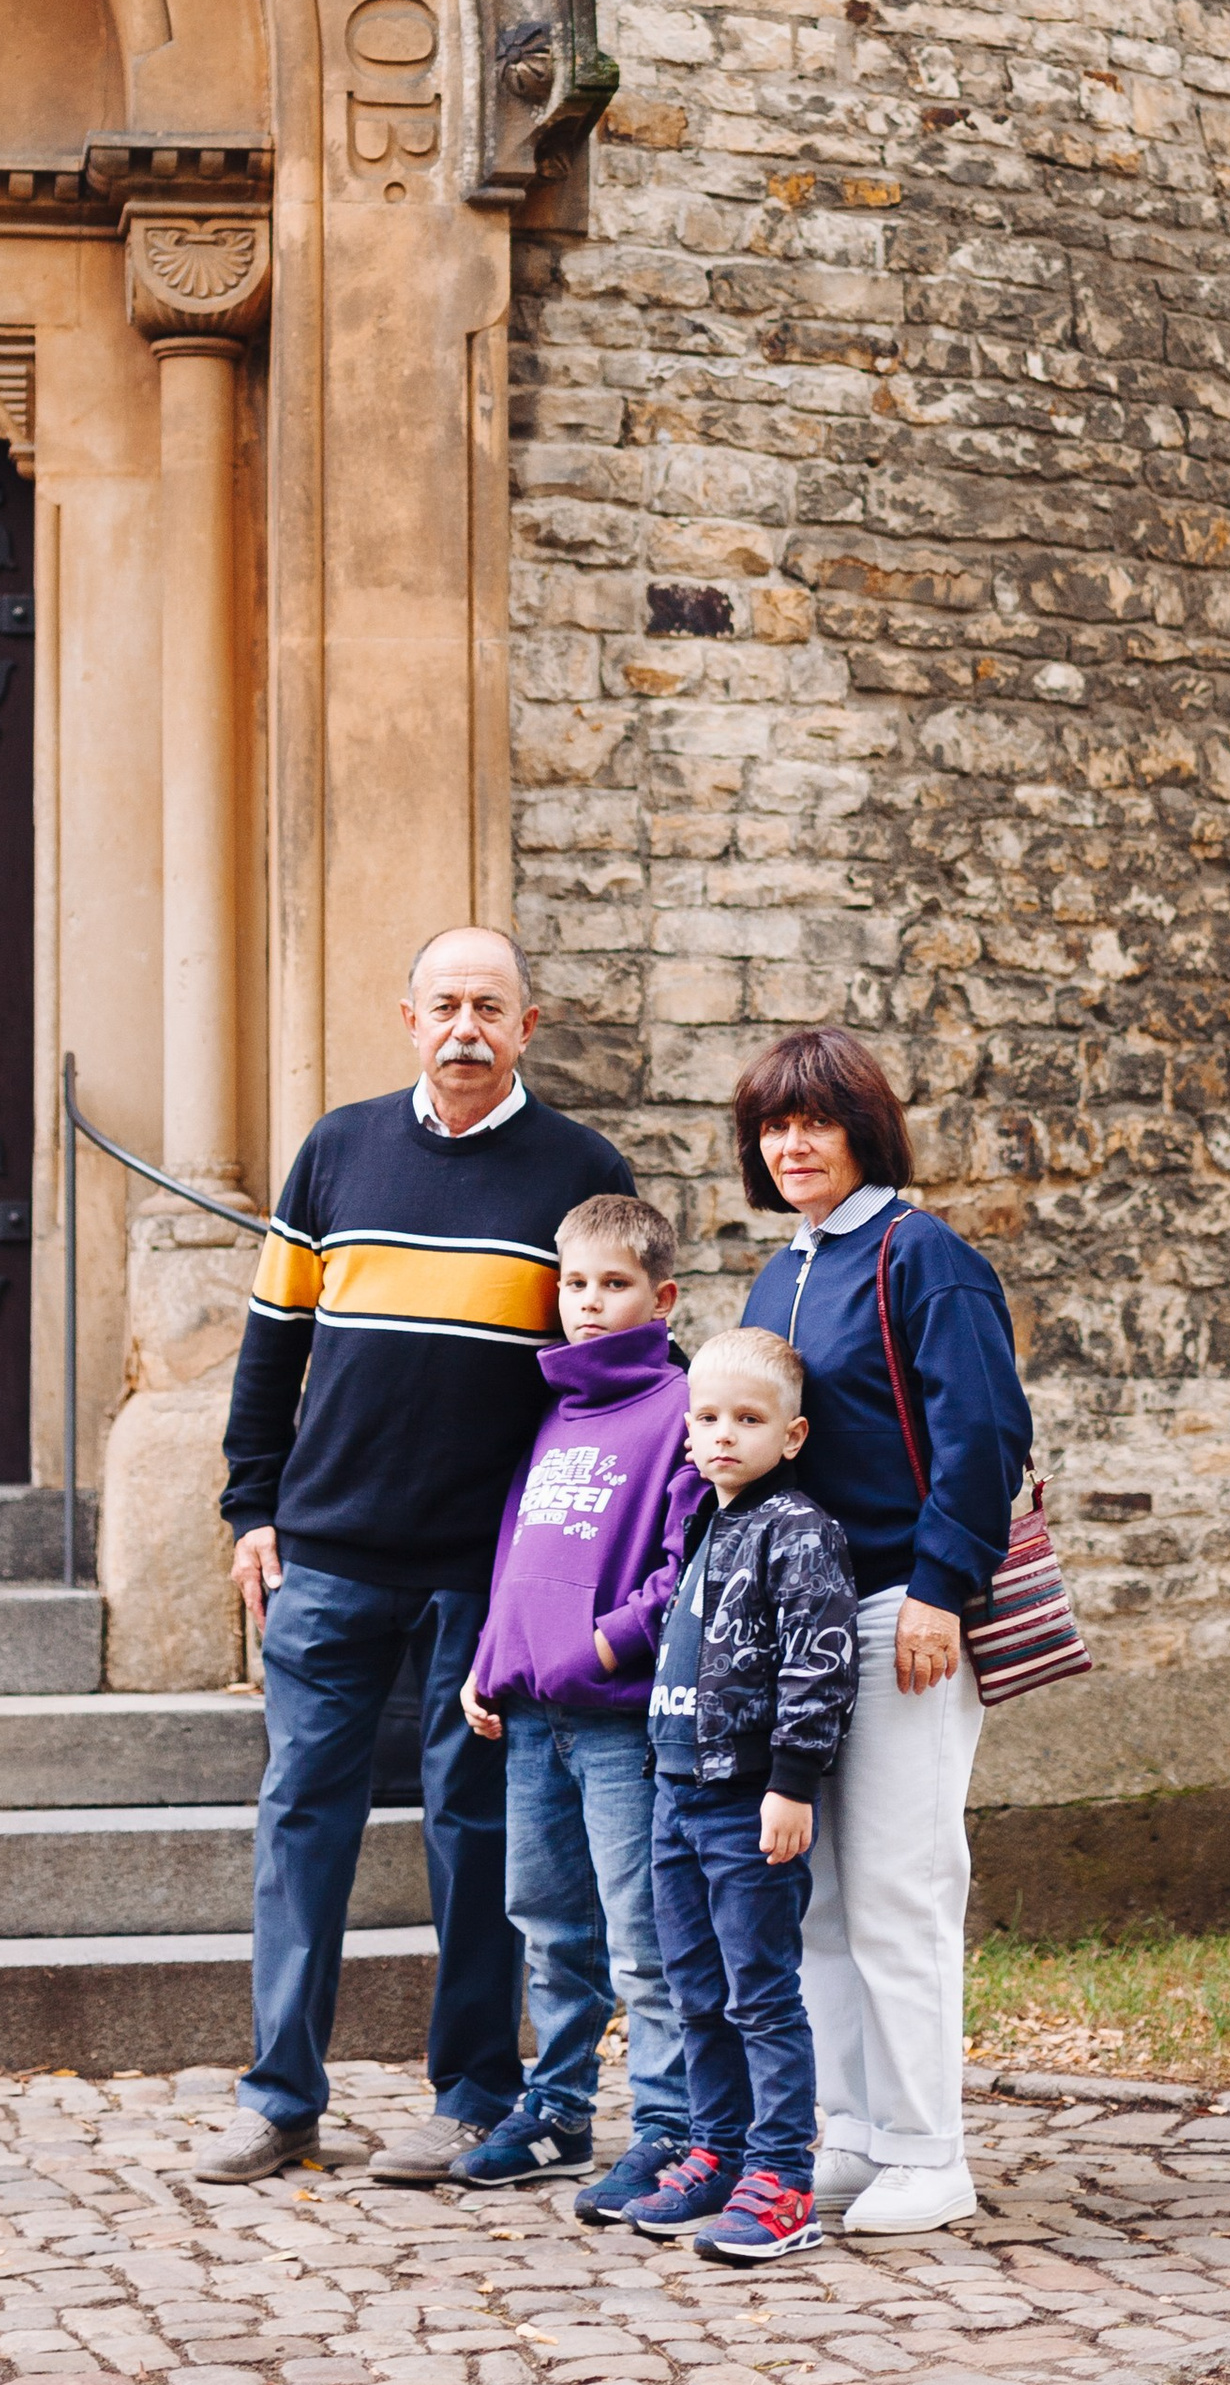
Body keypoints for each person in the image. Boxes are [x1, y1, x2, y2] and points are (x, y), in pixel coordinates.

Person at [201, 926, 631, 2186]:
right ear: (406, 1017)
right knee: (300, 1821)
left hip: (486, 1574)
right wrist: (249, 1508)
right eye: (443, 1004)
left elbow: (606, 1370)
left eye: (489, 1008)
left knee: (477, 1830)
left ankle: (472, 2095)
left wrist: (575, 1549)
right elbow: (271, 1344)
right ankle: (280, 2096)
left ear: (526, 1027)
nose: (465, 1029)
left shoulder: (577, 1169)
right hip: (326, 1555)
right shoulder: (335, 1150)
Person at [735, 1026, 1031, 2238]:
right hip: (798, 1624)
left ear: (865, 1127)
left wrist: (937, 1589)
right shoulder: (779, 1274)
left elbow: (985, 1438)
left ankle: (930, 2151)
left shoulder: (926, 1259)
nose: (793, 1143)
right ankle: (853, 2133)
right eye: (773, 1124)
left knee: (902, 1888)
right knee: (817, 1898)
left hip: (896, 1615)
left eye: (816, 1120)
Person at [454, 1192, 697, 2215]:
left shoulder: (682, 1407)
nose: (588, 1306)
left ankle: (669, 2127)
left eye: (613, 1285)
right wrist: (487, 1659)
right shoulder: (556, 1409)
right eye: (575, 1285)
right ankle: (555, 2110)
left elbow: (688, 1566)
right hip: (531, 1717)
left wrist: (606, 1642)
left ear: (661, 1296)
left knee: (639, 1935)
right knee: (548, 1924)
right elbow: (518, 1551)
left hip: (619, 1721)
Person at [622, 1325, 859, 2265]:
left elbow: (819, 1664)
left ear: (791, 1437)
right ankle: (716, 2150)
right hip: (673, 1791)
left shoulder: (801, 1534)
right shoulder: (704, 1523)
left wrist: (792, 1783)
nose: (724, 1435)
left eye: (748, 1420)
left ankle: (781, 2178)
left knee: (760, 1993)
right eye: (708, 1417)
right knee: (694, 1990)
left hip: (746, 1797)